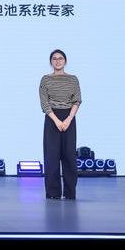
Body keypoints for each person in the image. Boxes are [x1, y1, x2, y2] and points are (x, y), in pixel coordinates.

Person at [39, 49, 81, 200]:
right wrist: (56, 120)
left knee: (69, 156)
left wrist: (68, 119)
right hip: (52, 119)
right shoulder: (45, 79)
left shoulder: (73, 79)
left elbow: (77, 100)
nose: (58, 61)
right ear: (51, 62)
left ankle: (70, 193)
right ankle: (53, 193)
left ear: (65, 61)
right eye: (54, 59)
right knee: (52, 157)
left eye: (60, 58)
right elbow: (44, 103)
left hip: (69, 118)